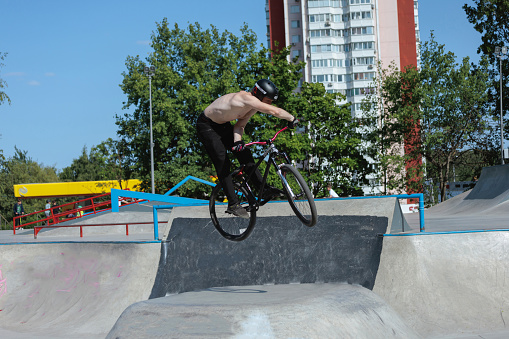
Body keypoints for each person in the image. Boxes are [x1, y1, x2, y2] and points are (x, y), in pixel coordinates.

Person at [196, 79, 297, 218]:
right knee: (222, 161)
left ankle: (263, 188)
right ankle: (233, 204)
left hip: (222, 125)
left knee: (245, 153)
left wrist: (237, 142)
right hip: (206, 126)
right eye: (267, 100)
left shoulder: (252, 107)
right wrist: (291, 118)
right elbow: (273, 111)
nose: (269, 103)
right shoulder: (246, 98)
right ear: (258, 94)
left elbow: (239, 126)